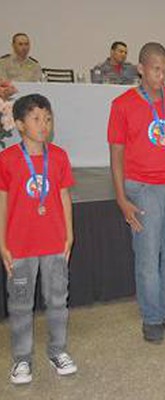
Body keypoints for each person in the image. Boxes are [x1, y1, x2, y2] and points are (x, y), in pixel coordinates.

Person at [107, 42, 165, 343]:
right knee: (147, 256)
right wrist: (121, 198)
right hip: (142, 188)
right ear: (141, 69)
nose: (162, 75)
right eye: (156, 69)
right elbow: (116, 154)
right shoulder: (122, 104)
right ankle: (152, 316)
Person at [0, 94, 77, 385]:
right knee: (20, 304)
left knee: (58, 300)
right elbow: (3, 201)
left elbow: (63, 196)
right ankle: (22, 359)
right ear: (19, 124)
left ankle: (58, 351)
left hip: (54, 242)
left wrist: (69, 234)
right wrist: (2, 242)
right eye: (36, 119)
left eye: (48, 118)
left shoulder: (58, 156)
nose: (43, 125)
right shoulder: (7, 159)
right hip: (20, 246)